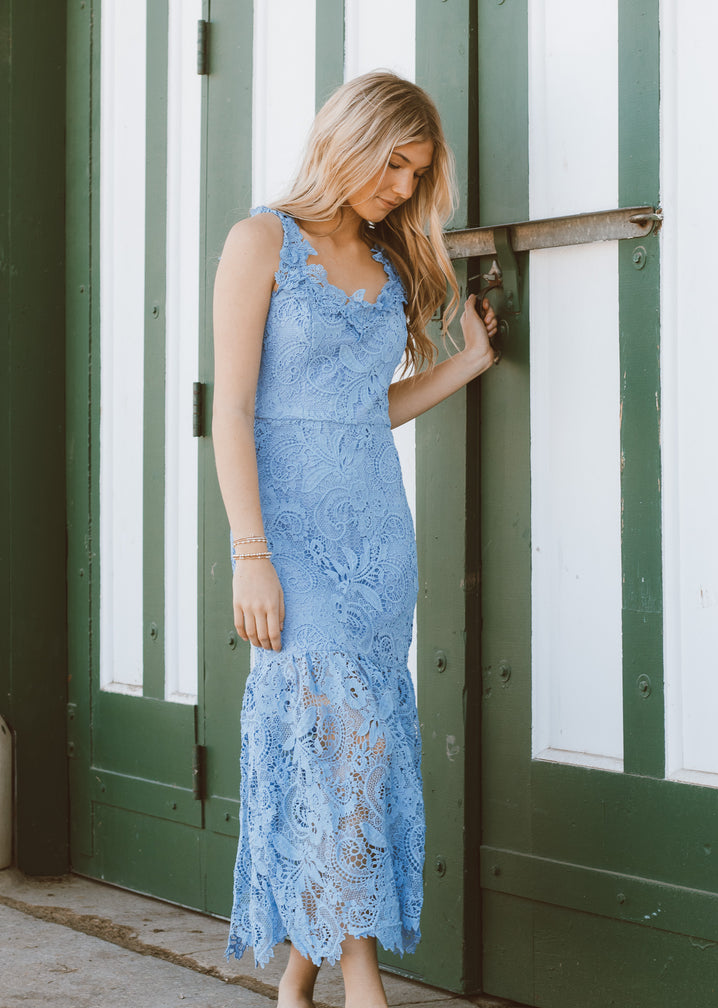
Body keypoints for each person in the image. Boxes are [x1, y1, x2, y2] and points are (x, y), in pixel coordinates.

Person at [212, 70, 498, 1008]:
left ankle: (298, 979)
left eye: (418, 175)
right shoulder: (261, 241)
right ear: (352, 136)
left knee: (357, 753)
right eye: (396, 163)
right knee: (330, 744)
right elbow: (238, 411)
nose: (403, 188)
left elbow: (366, 412)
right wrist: (249, 553)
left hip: (378, 541)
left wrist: (466, 365)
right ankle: (362, 981)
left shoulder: (385, 262)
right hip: (290, 543)